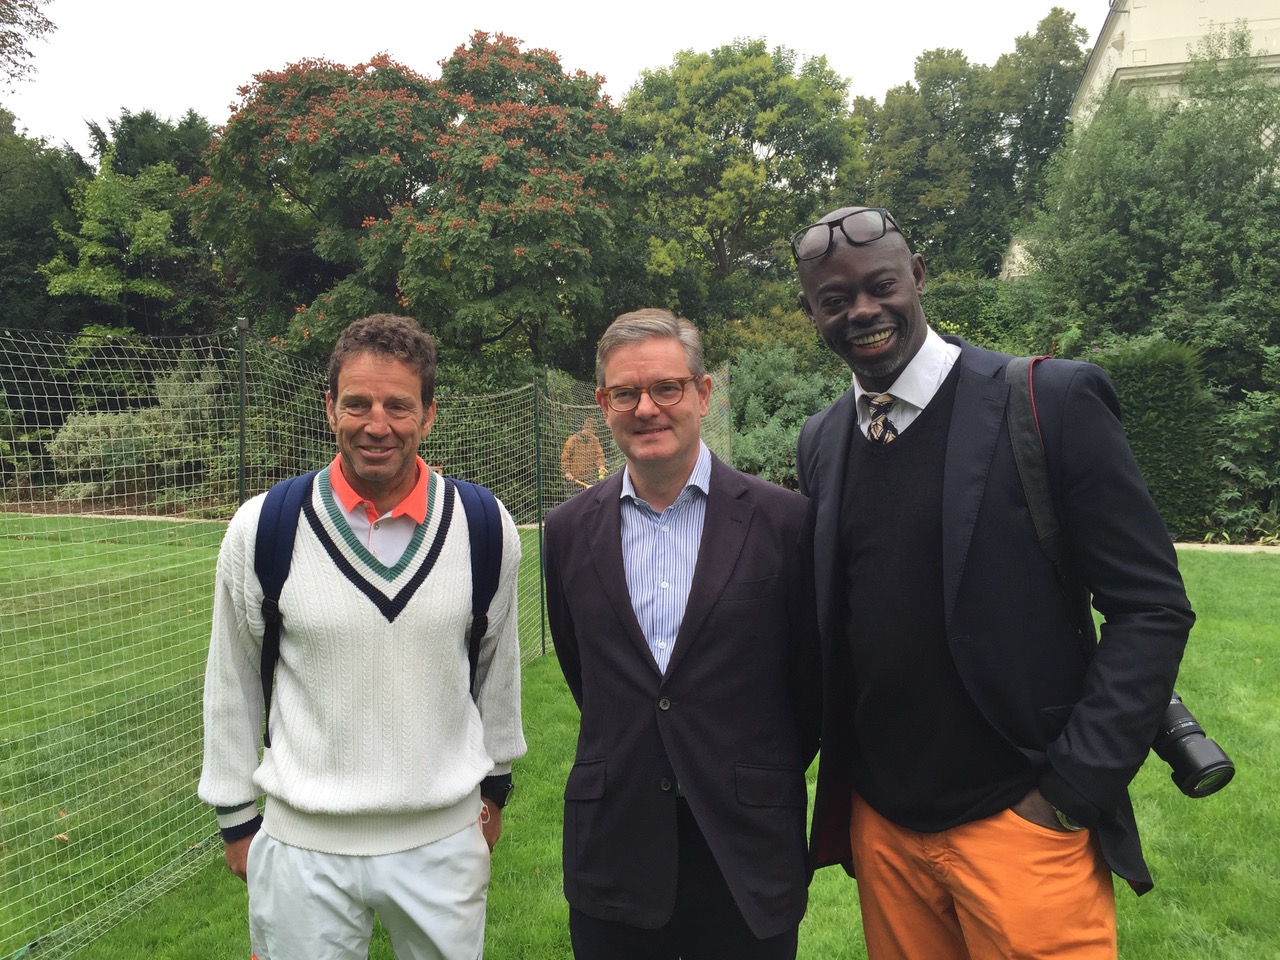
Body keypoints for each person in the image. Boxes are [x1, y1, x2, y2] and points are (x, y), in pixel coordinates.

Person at [792, 206, 1195, 960]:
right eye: (835, 300)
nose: (862, 311)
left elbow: (1151, 606)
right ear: (812, 313)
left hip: (1025, 823)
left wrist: (1072, 792)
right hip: (885, 829)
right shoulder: (821, 440)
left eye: (881, 286)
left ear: (918, 276)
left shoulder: (1051, 401)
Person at [198, 313, 526, 960]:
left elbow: (498, 674)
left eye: (398, 405)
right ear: (330, 409)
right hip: (302, 847)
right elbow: (231, 681)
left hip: (443, 842)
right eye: (358, 404)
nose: (378, 424)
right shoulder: (262, 528)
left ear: (429, 414)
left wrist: (494, 792)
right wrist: (236, 818)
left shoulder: (485, 527)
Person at [543, 308, 821, 960]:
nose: (647, 409)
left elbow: (811, 684)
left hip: (746, 852)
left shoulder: (785, 523)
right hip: (615, 854)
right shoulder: (567, 531)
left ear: (702, 393)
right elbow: (588, 675)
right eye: (625, 393)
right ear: (602, 404)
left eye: (666, 388)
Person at [561, 415, 606, 489]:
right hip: (575, 478)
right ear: (584, 428)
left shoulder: (594, 440)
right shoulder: (573, 440)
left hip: (590, 477)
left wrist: (601, 465)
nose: (590, 434)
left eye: (592, 432)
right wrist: (567, 471)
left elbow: (599, 454)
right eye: (589, 431)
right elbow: (565, 456)